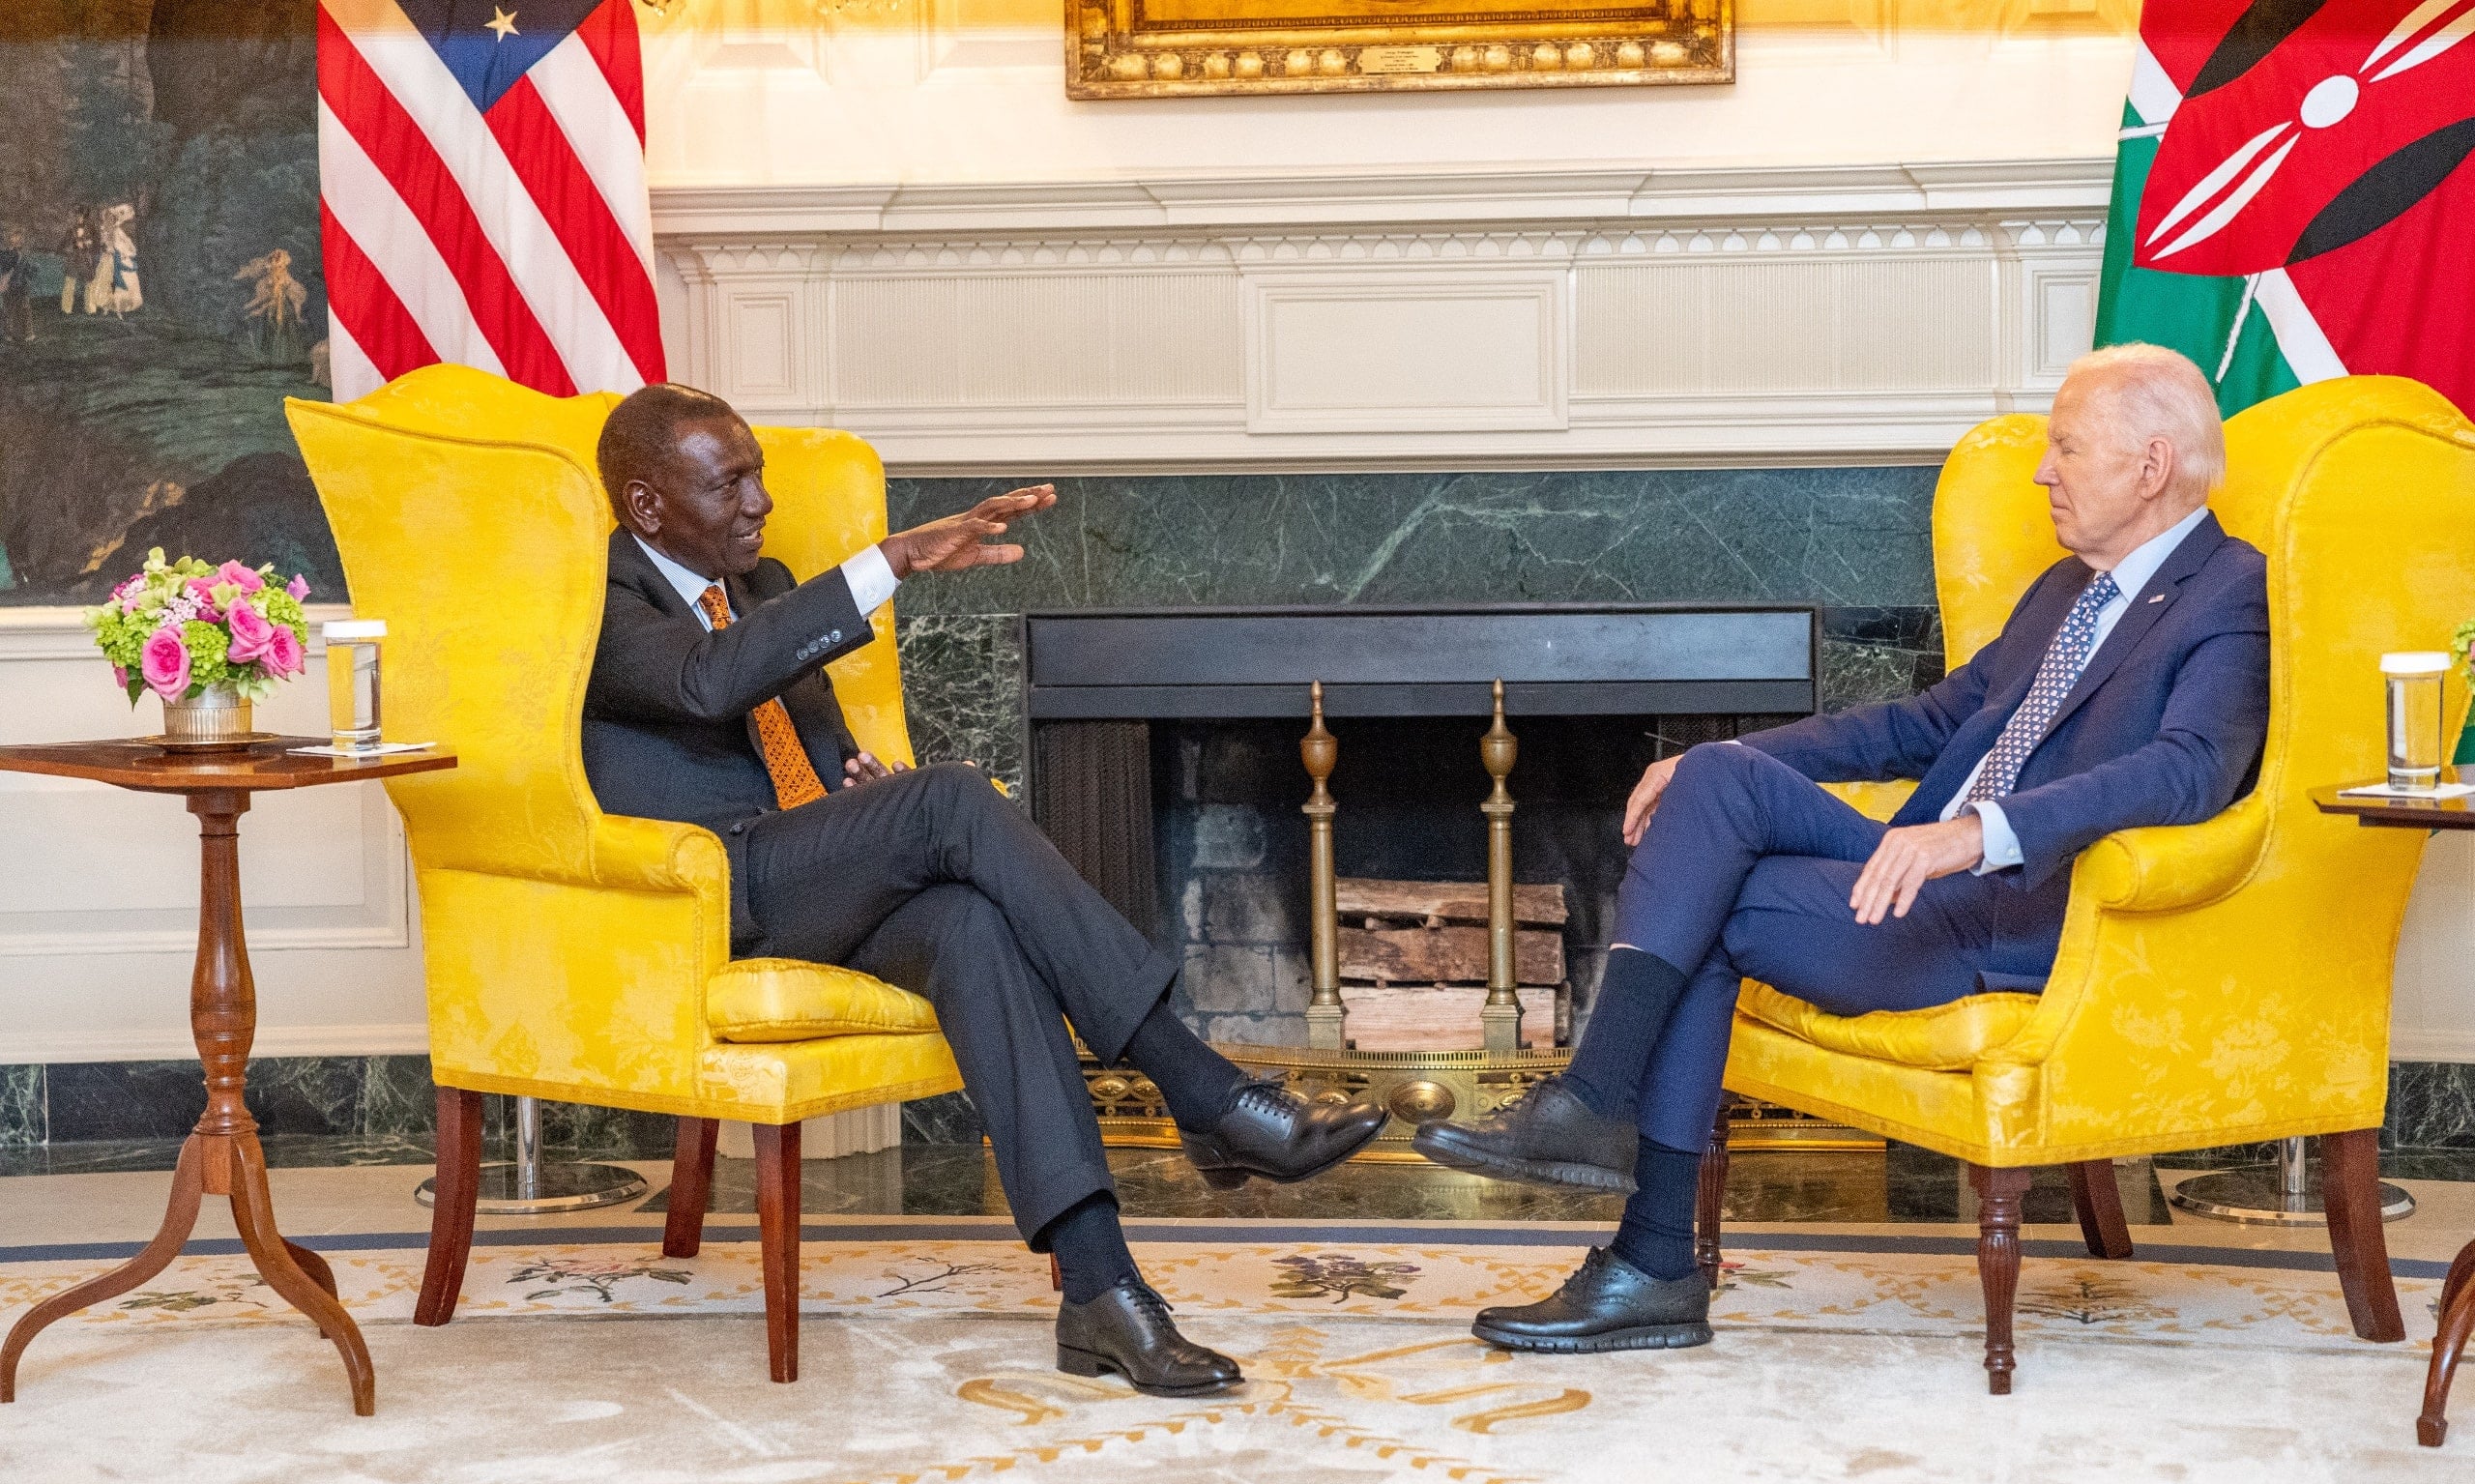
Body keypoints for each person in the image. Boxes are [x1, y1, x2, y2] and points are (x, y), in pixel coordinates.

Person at [1413, 343, 2270, 1353]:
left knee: (1706, 913)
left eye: (2066, 447)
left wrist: (1978, 833)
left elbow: (2188, 772)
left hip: (2019, 905)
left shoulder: (2227, 591)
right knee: (1716, 779)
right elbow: (1925, 721)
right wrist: (1721, 753)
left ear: (2150, 463)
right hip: (1919, 872)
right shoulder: (2060, 592)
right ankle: (1606, 1149)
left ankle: (1641, 1234)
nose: (2043, 470)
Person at [586, 384, 1387, 1397]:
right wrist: (895, 558)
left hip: (807, 871)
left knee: (973, 925)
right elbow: (705, 682)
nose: (760, 503)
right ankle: (1200, 1087)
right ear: (650, 507)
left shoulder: (765, 581)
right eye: (729, 482)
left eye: (759, 475)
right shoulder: (604, 604)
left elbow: (809, 742)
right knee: (955, 801)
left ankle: (1101, 1290)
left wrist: (852, 786)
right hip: (714, 895)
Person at [0, 230, 32, 344]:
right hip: (10, 285)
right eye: (14, 237)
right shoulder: (5, 254)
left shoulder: (23, 255)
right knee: (9, 309)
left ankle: (28, 334)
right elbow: (5, 267)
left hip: (21, 285)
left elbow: (29, 270)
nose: (16, 240)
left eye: (18, 238)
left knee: (24, 309)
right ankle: (8, 334)